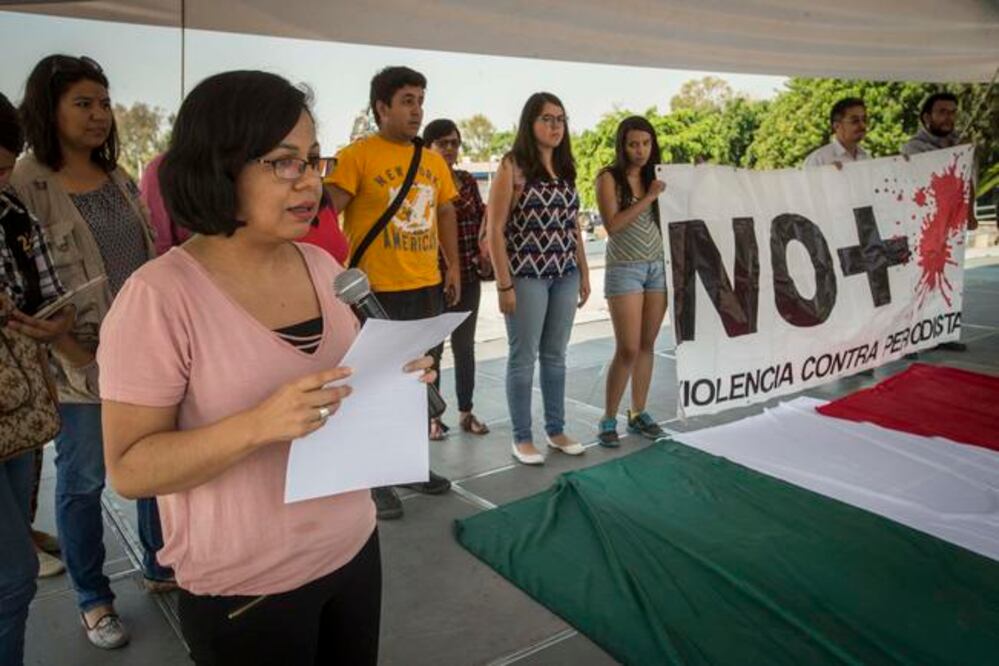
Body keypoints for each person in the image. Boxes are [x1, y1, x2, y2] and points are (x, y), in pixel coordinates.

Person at [98, 70, 434, 666]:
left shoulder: (327, 269)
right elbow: (129, 469)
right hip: (245, 589)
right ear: (220, 166)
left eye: (312, 160)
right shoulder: (159, 297)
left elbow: (344, 394)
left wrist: (394, 377)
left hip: (353, 548)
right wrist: (259, 425)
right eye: (285, 163)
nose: (310, 182)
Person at [12, 54, 159, 649]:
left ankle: (163, 561)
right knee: (83, 480)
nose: (99, 115)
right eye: (83, 103)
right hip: (77, 364)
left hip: (144, 353)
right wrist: (68, 346)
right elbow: (22, 288)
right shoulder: (25, 183)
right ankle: (93, 599)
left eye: (103, 103)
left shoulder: (119, 177)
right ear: (49, 110)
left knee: (153, 465)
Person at [327, 66, 459, 519]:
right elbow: (327, 220)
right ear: (381, 107)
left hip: (425, 286)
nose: (417, 109)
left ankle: (410, 466)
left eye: (420, 100)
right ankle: (374, 479)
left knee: (420, 382)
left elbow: (444, 213)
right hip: (374, 293)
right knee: (374, 386)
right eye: (406, 100)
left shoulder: (433, 161)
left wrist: (453, 265)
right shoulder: (356, 156)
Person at [0, 90, 74, 666]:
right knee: (14, 578)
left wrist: (58, 319)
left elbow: (45, 294)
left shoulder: (14, 214)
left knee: (13, 573)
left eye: (3, 171)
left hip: (20, 412)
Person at [487, 92, 590, 466]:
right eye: (547, 119)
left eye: (560, 119)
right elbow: (495, 229)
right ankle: (522, 437)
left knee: (556, 356)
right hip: (526, 275)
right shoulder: (512, 167)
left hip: (564, 273)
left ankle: (556, 429)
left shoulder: (565, 168)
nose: (555, 126)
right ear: (530, 123)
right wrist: (504, 285)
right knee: (523, 357)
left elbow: (572, 224)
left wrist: (583, 269)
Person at [594, 116, 668, 446]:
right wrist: (649, 198)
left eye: (646, 143)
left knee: (648, 345)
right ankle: (608, 418)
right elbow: (613, 225)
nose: (640, 150)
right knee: (627, 348)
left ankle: (638, 412)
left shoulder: (659, 177)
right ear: (622, 146)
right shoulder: (608, 178)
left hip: (658, 267)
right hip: (625, 267)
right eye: (633, 144)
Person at [423, 118, 490, 439]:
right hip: (431, 279)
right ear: (428, 147)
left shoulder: (467, 180)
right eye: (442, 143)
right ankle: (433, 418)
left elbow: (481, 220)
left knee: (465, 347)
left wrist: (483, 256)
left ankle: (466, 411)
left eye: (454, 142)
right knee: (432, 352)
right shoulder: (423, 183)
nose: (450, 148)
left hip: (469, 275)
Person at [901, 91, 975, 353]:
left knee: (949, 277)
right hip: (924, 227)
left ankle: (941, 331)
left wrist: (971, 213)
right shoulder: (913, 148)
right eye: (942, 112)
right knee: (919, 280)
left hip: (952, 226)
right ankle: (911, 335)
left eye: (953, 112)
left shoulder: (960, 143)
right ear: (926, 117)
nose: (949, 118)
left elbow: (967, 181)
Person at [803, 97, 869, 168]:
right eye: (855, 121)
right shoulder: (818, 160)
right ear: (837, 126)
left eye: (864, 120)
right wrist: (829, 175)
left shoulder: (867, 158)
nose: (862, 125)